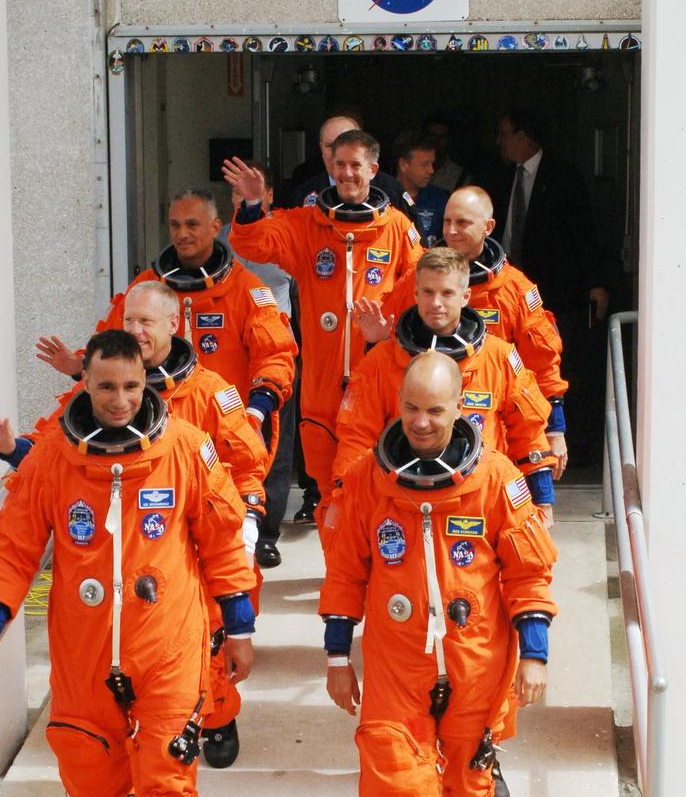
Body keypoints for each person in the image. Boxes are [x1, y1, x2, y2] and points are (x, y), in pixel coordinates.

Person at [0, 330, 256, 797]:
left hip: (168, 646)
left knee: (166, 786)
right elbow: (15, 546)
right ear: (85, 385)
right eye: (105, 387)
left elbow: (224, 539)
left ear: (146, 381)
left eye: (130, 386)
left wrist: (238, 627)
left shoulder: (186, 448)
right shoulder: (52, 459)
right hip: (85, 655)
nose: (120, 399)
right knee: (93, 796)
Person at [321, 352, 557, 797]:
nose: (422, 423)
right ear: (397, 406)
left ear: (461, 408)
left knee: (467, 791)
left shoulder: (497, 481)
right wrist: (338, 655)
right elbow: (346, 571)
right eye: (411, 408)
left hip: (476, 664)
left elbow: (528, 572)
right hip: (398, 667)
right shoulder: (371, 480)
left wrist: (533, 653)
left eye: (435, 409)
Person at [0, 281, 268, 769]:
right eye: (128, 320)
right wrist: (9, 447)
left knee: (207, 663)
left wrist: (250, 520)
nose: (120, 398)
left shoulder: (205, 407)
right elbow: (39, 483)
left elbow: (245, 465)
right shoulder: (76, 427)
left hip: (181, 563)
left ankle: (217, 718)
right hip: (103, 600)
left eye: (145, 321)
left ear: (173, 325)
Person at [224, 130, 423, 527]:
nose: (346, 173)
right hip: (322, 387)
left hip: (376, 382)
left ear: (373, 169)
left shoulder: (398, 229)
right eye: (339, 164)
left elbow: (421, 292)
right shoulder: (306, 224)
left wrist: (390, 333)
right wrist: (250, 203)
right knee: (330, 494)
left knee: (382, 484)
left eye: (355, 165)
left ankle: (377, 573)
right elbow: (256, 243)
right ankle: (339, 580)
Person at [35, 187, 296, 467]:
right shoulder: (146, 286)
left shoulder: (246, 291)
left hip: (225, 428)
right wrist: (81, 365)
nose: (182, 234)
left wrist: (256, 412)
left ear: (215, 227)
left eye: (192, 224)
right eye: (175, 224)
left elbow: (275, 355)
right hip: (154, 429)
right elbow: (113, 343)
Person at [360, 186, 569, 477]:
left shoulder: (515, 290)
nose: (452, 231)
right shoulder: (416, 280)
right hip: (424, 424)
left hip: (490, 421)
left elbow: (542, 363)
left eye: (462, 223)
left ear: (488, 227)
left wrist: (555, 430)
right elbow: (385, 364)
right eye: (447, 222)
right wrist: (377, 341)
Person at [493, 108, 611, 467]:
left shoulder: (563, 176)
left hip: (555, 293)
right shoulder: (499, 175)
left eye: (504, 133)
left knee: (557, 369)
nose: (499, 141)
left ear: (523, 136)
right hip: (507, 295)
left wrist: (596, 283)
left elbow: (583, 233)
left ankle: (565, 448)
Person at [220, 161, 297, 569]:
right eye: (234, 194)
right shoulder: (217, 239)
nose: (241, 200)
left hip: (273, 352)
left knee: (275, 446)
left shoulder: (285, 234)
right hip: (228, 355)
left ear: (267, 196)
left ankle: (267, 533)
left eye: (249, 193)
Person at [289, 113, 406, 214]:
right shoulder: (303, 193)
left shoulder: (392, 191)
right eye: (330, 146)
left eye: (347, 146)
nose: (337, 153)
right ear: (321, 148)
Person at [393, 132, 448, 245]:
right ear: (403, 164)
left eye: (432, 163)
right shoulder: (382, 197)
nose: (431, 170)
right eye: (424, 164)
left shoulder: (441, 199)